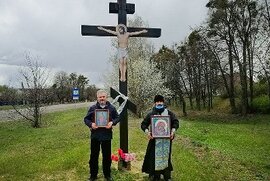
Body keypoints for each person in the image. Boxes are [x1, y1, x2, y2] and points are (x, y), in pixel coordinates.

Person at [141, 95, 179, 181]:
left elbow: (176, 122)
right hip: (155, 140)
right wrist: (148, 132)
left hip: (166, 140)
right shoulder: (151, 114)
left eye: (160, 101)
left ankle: (167, 176)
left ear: (163, 102)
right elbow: (143, 124)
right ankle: (155, 175)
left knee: (166, 157)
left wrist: (172, 132)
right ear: (155, 103)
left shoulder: (169, 113)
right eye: (157, 102)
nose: (159, 103)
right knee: (154, 158)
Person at [84, 89, 120, 181]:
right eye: (100, 97)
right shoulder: (92, 108)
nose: (102, 99)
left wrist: (112, 122)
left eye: (103, 97)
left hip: (106, 136)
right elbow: (86, 119)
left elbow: (118, 117)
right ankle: (93, 175)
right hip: (95, 136)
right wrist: (91, 124)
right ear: (97, 98)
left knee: (107, 157)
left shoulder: (111, 108)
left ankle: (107, 175)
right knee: (93, 156)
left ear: (106, 97)